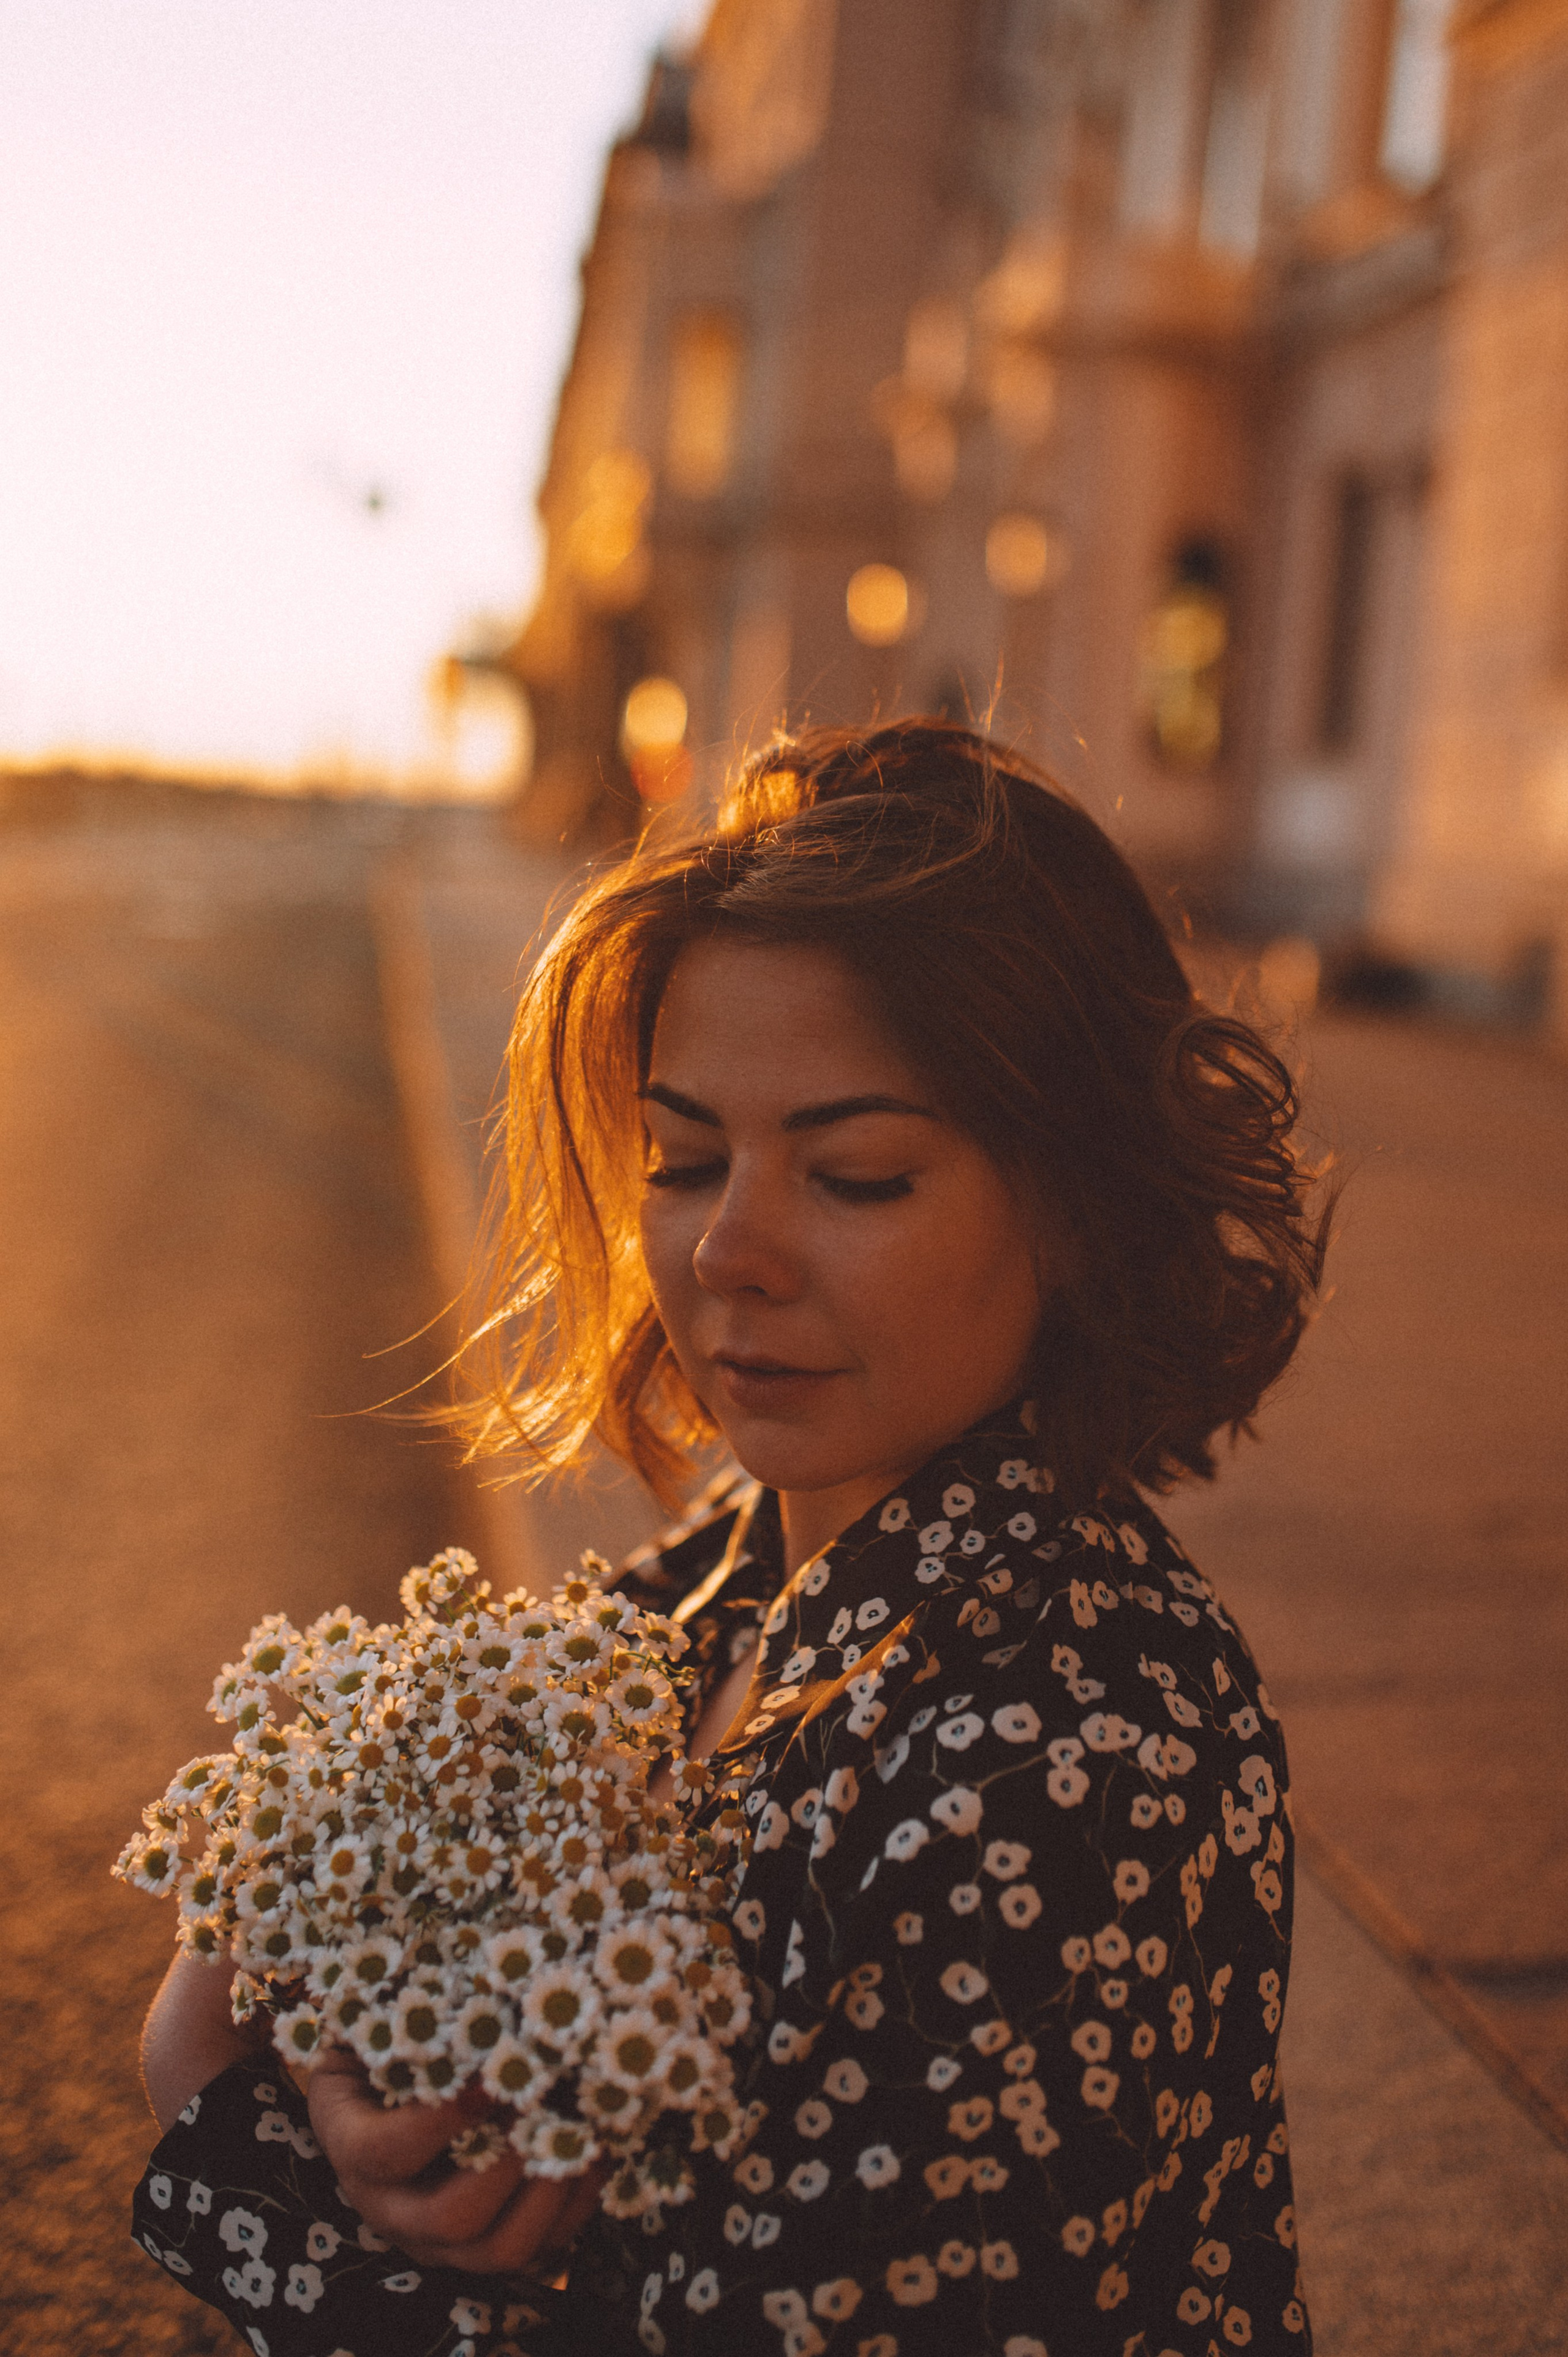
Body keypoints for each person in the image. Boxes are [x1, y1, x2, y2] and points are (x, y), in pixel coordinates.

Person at [134, 721, 1325, 2355]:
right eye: (686, 1160)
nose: (728, 1253)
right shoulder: (737, 1558)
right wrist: (362, 2093)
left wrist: (214, 2102)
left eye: (857, 1175)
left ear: (1076, 1198)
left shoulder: (1076, 1749)